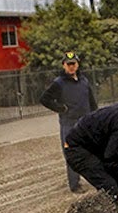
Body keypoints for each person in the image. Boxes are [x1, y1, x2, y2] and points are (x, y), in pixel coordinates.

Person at [40, 52, 98, 193]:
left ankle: (95, 179)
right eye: (68, 64)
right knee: (72, 154)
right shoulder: (59, 83)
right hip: (69, 124)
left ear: (78, 65)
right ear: (64, 65)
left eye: (74, 64)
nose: (71, 67)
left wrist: (96, 116)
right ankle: (75, 185)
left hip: (85, 122)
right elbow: (45, 99)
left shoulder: (84, 81)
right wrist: (60, 108)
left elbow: (91, 101)